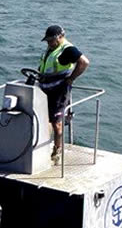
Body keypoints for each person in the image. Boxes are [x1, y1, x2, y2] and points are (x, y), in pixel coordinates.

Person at [38, 25, 90, 163]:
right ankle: (40, 145)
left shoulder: (67, 49)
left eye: (50, 40)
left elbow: (84, 62)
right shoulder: (51, 49)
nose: (48, 43)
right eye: (47, 41)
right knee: (42, 118)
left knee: (56, 123)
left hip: (59, 91)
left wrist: (71, 79)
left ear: (59, 37)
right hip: (45, 89)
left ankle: (57, 151)